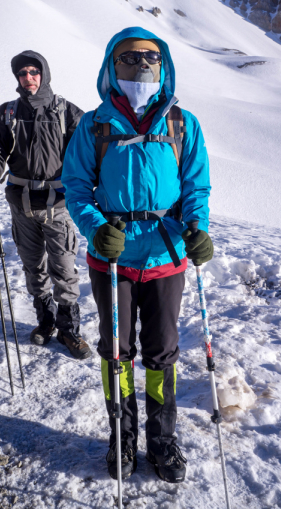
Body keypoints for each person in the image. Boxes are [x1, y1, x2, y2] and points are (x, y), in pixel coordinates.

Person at [62, 27, 213, 482]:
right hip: (113, 258)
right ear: (111, 66)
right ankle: (122, 436)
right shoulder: (95, 124)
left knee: (162, 352)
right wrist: (96, 227)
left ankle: (162, 440)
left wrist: (196, 228)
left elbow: (196, 187)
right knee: (116, 352)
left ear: (163, 66)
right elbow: (75, 187)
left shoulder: (181, 124)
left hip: (166, 254)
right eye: (129, 58)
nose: (141, 66)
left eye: (150, 57)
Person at [0, 50, 91, 360]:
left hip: (58, 203)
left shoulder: (67, 112)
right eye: (22, 74)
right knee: (32, 266)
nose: (28, 78)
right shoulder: (7, 113)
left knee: (63, 266)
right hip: (21, 202)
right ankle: (46, 320)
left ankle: (69, 328)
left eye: (33, 72)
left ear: (44, 73)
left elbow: (88, 152)